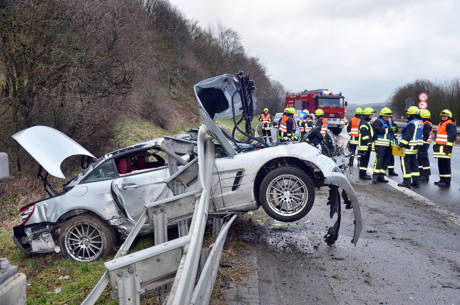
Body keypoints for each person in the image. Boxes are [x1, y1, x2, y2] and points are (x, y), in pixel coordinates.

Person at [398, 106, 423, 188]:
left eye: (409, 114)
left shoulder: (411, 123)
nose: (408, 115)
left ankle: (406, 182)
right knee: (414, 164)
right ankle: (416, 182)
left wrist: (401, 145)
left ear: (412, 114)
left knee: (405, 164)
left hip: (407, 147)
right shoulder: (420, 122)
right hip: (415, 147)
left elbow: (407, 136)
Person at [433, 109, 456, 188]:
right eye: (442, 116)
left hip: (446, 147)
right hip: (440, 147)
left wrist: (448, 148)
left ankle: (447, 182)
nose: (443, 117)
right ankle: (442, 180)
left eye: (445, 116)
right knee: (441, 164)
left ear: (449, 116)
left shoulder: (450, 124)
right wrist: (435, 144)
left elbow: (452, 137)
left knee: (446, 165)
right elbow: (439, 136)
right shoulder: (441, 123)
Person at [372, 107, 394, 184]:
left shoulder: (389, 122)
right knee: (379, 160)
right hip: (380, 144)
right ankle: (375, 177)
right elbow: (378, 130)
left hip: (389, 144)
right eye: (386, 116)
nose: (387, 117)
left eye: (389, 116)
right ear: (382, 115)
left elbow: (395, 129)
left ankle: (381, 176)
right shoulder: (377, 122)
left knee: (386, 161)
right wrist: (389, 130)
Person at [358, 107, 375, 180]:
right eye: (371, 115)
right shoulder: (364, 123)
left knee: (365, 161)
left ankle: (363, 173)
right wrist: (369, 143)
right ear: (367, 115)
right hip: (364, 146)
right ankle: (362, 175)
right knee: (364, 161)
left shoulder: (366, 122)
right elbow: (364, 135)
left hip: (365, 146)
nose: (372, 116)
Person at [418, 109, 433, 181]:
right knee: (420, 158)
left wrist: (422, 142)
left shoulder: (426, 124)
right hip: (424, 143)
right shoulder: (427, 123)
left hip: (424, 143)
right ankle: (421, 173)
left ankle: (426, 175)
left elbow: (426, 135)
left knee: (424, 158)